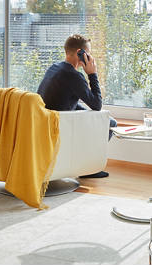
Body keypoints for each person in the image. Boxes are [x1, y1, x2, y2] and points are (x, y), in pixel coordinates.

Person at [37, 34, 117, 175]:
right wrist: (92, 74)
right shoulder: (73, 76)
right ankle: (89, 168)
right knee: (110, 123)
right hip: (61, 126)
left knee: (98, 119)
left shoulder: (55, 68)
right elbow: (97, 105)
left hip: (45, 122)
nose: (90, 58)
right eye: (89, 54)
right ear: (80, 53)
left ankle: (85, 165)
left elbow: (65, 102)